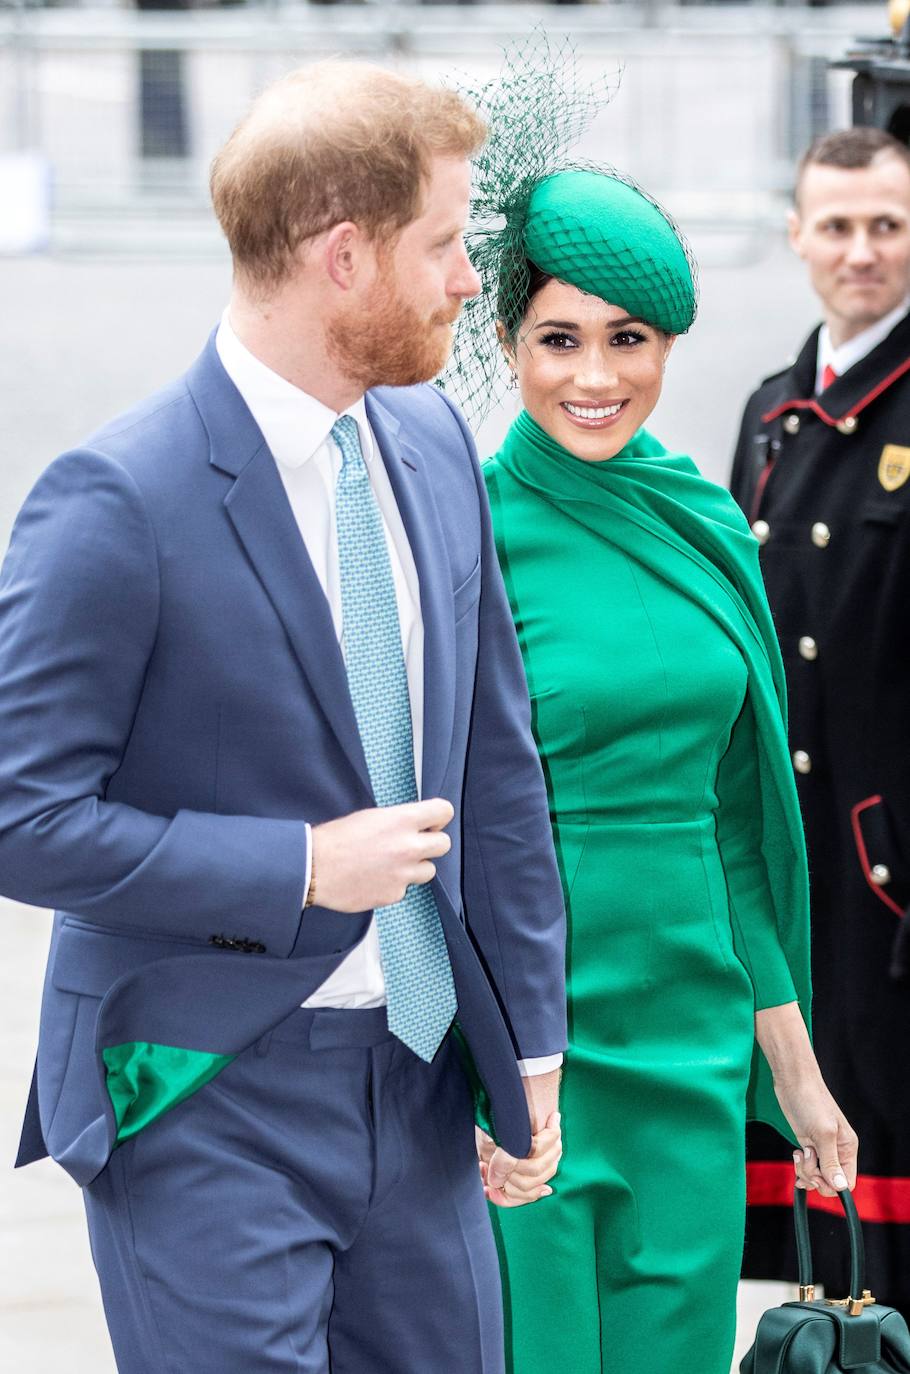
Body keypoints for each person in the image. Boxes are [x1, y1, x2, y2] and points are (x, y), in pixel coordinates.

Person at [0, 61, 567, 1373]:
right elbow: (20, 812)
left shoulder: (432, 444)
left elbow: (495, 763)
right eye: (445, 245)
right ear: (344, 255)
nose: (468, 283)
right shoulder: (114, 500)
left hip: (426, 1084)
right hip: (202, 1094)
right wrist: (302, 864)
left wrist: (528, 1037)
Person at [455, 165, 858, 1374]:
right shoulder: (465, 534)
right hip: (533, 1057)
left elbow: (738, 824)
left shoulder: (709, 521)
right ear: (505, 338)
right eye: (557, 338)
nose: (595, 377)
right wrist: (476, 1062)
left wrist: (796, 1070)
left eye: (627, 340)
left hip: (691, 1042)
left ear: (667, 340)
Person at [731, 126, 910, 1315]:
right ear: (795, 235)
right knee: (827, 1220)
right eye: (836, 225)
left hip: (893, 876)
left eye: (888, 224)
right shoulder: (772, 409)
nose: (860, 250)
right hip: (800, 879)